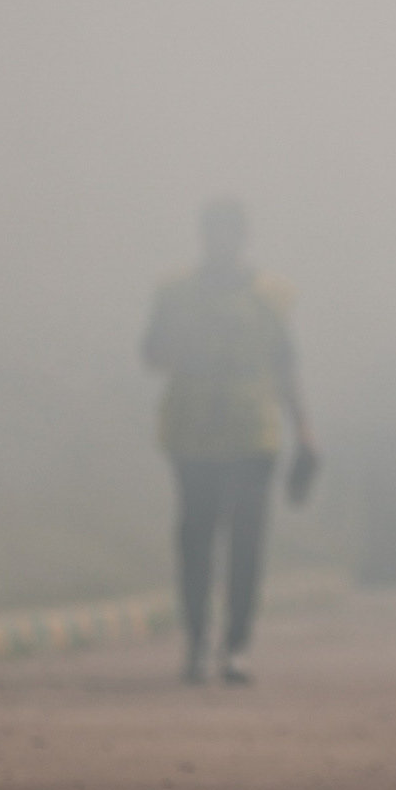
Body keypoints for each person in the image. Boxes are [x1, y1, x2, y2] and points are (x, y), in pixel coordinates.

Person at [142, 199, 316, 686]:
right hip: (191, 433)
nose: (222, 243)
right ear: (203, 236)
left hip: (252, 434)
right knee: (195, 541)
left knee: (246, 544)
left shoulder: (269, 296)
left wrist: (304, 427)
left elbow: (286, 366)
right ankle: (197, 641)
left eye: (229, 233)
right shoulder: (175, 293)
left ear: (243, 237)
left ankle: (236, 645)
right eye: (213, 233)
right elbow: (151, 354)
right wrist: (177, 340)